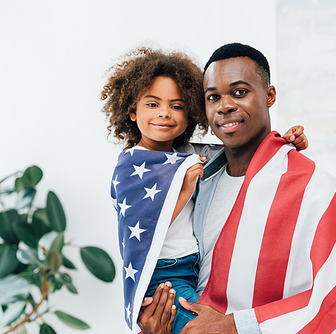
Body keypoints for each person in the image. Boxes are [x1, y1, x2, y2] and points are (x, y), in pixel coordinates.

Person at [138, 43, 336, 334]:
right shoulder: (195, 178)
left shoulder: (314, 189)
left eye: (239, 92)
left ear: (269, 95)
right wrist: (157, 323)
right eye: (213, 97)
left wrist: (235, 325)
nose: (225, 106)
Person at [101, 46, 308, 334]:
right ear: (131, 112)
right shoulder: (131, 165)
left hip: (192, 270)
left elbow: (240, 148)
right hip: (164, 276)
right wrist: (183, 191)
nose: (164, 114)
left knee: (220, 322)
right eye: (152, 104)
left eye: (176, 106)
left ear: (190, 115)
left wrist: (285, 141)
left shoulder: (184, 154)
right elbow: (141, 225)